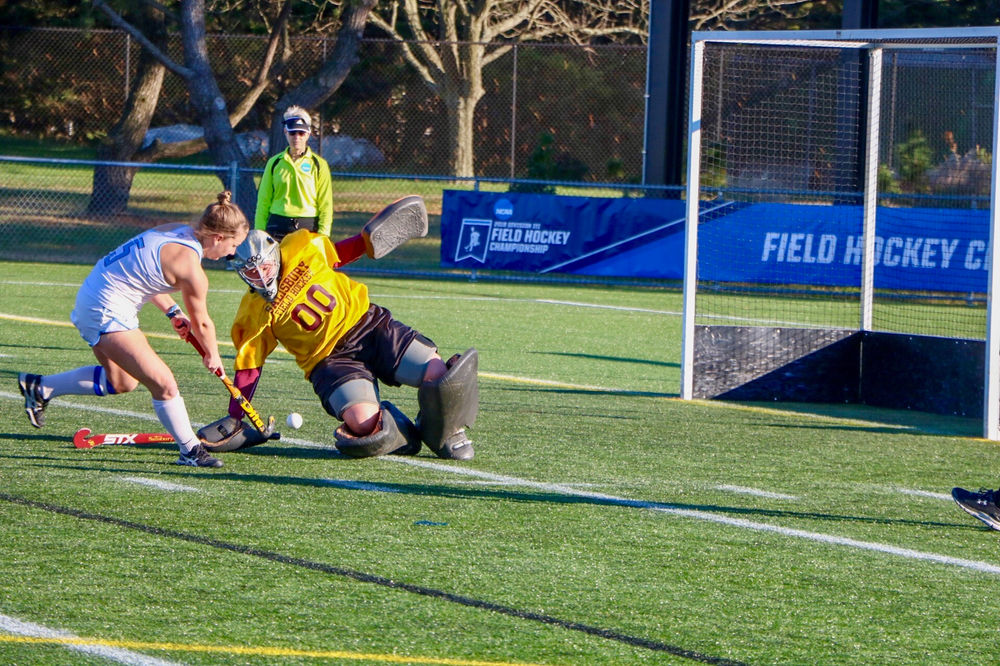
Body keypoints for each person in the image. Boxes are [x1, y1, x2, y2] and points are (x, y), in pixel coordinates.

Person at [197, 228, 478, 461]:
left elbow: (338, 254)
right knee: (363, 426)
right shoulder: (253, 310)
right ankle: (399, 430)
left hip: (370, 327)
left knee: (440, 374)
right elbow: (250, 366)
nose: (261, 276)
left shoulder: (300, 246)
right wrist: (236, 416)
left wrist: (367, 241)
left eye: (265, 267)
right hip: (330, 362)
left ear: (275, 255)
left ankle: (443, 429)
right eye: (252, 273)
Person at [17, 191, 250, 468]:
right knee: (164, 383)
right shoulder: (192, 269)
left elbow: (142, 272)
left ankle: (41, 387)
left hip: (95, 296)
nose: (233, 252)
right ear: (218, 238)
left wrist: (173, 312)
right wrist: (213, 357)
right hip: (105, 308)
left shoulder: (174, 231)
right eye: (234, 244)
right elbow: (202, 323)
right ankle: (191, 451)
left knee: (122, 382)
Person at [255, 106, 333, 240]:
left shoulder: (319, 164)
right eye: (292, 133)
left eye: (301, 133)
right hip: (277, 226)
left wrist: (323, 235)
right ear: (285, 132)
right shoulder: (274, 163)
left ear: (308, 134)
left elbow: (326, 204)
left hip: (307, 227)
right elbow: (263, 200)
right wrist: (259, 232)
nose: (297, 137)